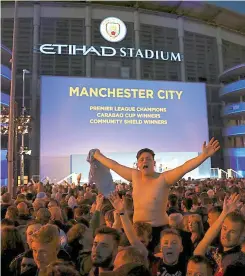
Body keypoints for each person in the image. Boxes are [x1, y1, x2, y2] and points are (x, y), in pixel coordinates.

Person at [93, 137, 220, 250]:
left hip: (160, 229)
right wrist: (97, 155)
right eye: (141, 159)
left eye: (148, 159)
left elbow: (184, 168)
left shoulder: (163, 178)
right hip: (137, 230)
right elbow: (114, 165)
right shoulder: (134, 175)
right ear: (138, 165)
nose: (145, 161)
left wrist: (203, 156)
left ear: (154, 163)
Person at [194, 194, 245, 275]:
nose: (226, 234)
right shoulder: (220, 252)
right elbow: (198, 253)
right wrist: (224, 214)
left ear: (241, 236)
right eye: (224, 228)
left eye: (232, 232)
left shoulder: (236, 264)